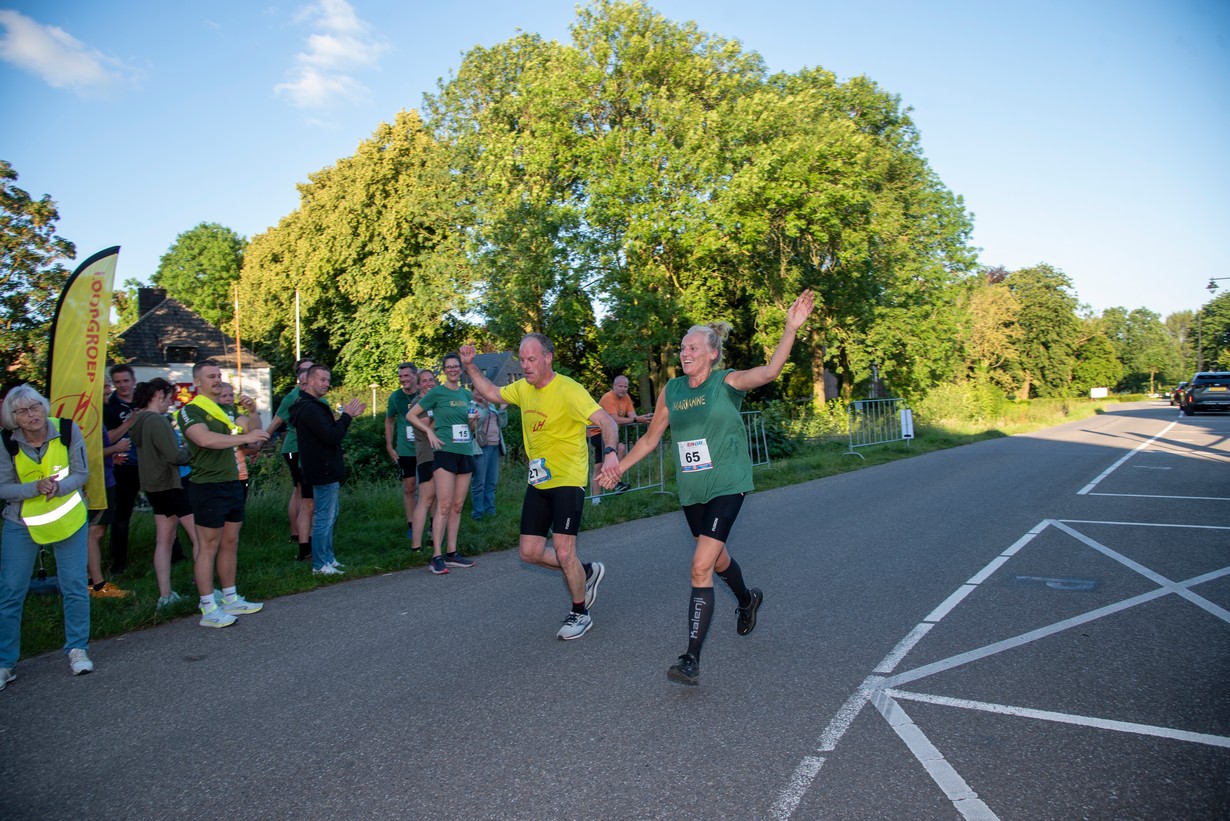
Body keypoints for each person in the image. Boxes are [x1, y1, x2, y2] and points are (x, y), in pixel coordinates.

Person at [601, 289, 814, 685]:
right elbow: (649, 440)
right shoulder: (672, 391)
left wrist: (790, 328)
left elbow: (768, 372)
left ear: (712, 353)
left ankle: (690, 659)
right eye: (682, 347)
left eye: (693, 347)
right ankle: (747, 599)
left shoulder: (725, 383)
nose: (685, 353)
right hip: (693, 491)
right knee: (716, 561)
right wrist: (616, 466)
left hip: (728, 484)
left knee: (700, 566)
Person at [460, 335, 616, 640]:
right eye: (522, 359)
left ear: (548, 358)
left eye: (532, 359)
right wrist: (470, 366)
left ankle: (580, 612)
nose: (525, 365)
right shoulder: (522, 388)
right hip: (539, 480)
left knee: (562, 549)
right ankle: (584, 573)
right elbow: (491, 392)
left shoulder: (569, 389)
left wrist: (610, 453)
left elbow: (607, 421)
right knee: (529, 552)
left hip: (568, 479)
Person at [0, 384, 94, 687]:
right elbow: (3, 488)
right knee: (11, 591)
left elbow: (81, 473)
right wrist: (35, 487)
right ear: (13, 417)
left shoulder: (67, 430)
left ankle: (77, 649)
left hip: (68, 518)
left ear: (44, 406)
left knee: (75, 585)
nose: (32, 415)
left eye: (36, 406)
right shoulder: (5, 442)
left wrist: (59, 487)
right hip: (22, 524)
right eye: (23, 411)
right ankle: (5, 663)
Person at [178, 361, 270, 628]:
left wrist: (253, 412)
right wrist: (244, 438)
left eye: (219, 376)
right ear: (197, 382)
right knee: (208, 546)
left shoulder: (227, 408)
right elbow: (205, 439)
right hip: (207, 485)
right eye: (211, 377)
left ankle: (230, 597)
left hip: (232, 482)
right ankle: (208, 607)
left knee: (230, 542)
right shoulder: (190, 411)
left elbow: (254, 435)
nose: (217, 380)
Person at [129, 377, 198, 609]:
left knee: (164, 540)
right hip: (172, 485)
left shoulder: (138, 422)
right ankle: (205, 586)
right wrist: (193, 448)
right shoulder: (156, 421)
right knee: (199, 537)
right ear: (158, 394)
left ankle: (165, 594)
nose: (170, 403)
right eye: (169, 398)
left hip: (153, 487)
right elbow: (175, 455)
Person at [289, 365, 364, 576]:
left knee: (331, 514)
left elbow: (329, 433)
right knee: (324, 516)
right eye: (322, 379)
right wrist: (347, 416)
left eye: (327, 380)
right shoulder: (310, 408)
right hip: (322, 469)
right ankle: (320, 564)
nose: (326, 384)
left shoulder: (311, 406)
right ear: (310, 381)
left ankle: (328, 559)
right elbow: (332, 436)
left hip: (323, 467)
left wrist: (347, 417)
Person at [408, 353, 478, 575]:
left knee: (458, 506)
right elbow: (411, 415)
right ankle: (436, 556)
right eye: (448, 367)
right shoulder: (437, 393)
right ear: (444, 371)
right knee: (444, 505)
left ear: (460, 369)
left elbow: (471, 430)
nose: (453, 370)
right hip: (445, 452)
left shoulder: (467, 395)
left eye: (456, 366)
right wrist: (429, 431)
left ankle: (452, 552)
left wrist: (473, 422)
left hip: (465, 452)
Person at [87, 381, 133, 599]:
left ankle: (93, 581)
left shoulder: (97, 415)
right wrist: (115, 448)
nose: (110, 389)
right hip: (96, 482)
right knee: (94, 532)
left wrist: (110, 457)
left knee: (98, 531)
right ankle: (96, 585)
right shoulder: (89, 416)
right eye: (105, 385)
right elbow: (86, 452)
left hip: (105, 478)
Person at [266, 359, 313, 561]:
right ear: (300, 376)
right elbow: (276, 421)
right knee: (301, 490)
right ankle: (298, 533)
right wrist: (258, 444)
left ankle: (300, 533)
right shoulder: (292, 397)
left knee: (301, 490)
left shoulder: (312, 396)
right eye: (307, 371)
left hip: (306, 448)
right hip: (294, 447)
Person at [102, 363, 141, 574]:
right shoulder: (110, 406)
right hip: (124, 466)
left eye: (126, 381)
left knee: (168, 511)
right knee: (121, 516)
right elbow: (106, 439)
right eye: (117, 382)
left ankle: (177, 557)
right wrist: (130, 422)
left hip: (150, 464)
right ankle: (118, 564)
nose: (122, 385)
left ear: (133, 380)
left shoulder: (144, 400)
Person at [588, 374, 652, 501]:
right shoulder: (608, 398)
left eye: (625, 386)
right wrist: (636, 419)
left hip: (607, 433)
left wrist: (642, 419)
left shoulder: (626, 397)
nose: (623, 389)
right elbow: (614, 419)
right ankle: (616, 483)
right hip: (595, 432)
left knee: (599, 466)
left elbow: (632, 415)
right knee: (621, 448)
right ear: (614, 386)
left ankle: (596, 499)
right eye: (620, 386)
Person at [384, 362, 419, 540]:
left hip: (425, 448)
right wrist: (390, 446)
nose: (403, 379)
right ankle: (412, 525)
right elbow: (389, 421)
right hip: (405, 450)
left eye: (406, 376)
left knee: (431, 489)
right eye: (400, 376)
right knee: (409, 487)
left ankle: (431, 523)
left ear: (415, 375)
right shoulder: (395, 397)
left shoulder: (424, 394)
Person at [408, 368, 438, 554]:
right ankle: (416, 546)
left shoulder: (433, 402)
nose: (428, 383)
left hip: (440, 454)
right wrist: (444, 413)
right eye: (424, 381)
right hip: (427, 456)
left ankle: (434, 538)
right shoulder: (418, 403)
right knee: (425, 499)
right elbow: (428, 426)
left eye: (431, 380)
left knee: (437, 500)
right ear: (418, 385)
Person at [469, 394, 507, 519]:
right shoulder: (471, 406)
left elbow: (503, 424)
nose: (482, 394)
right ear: (472, 391)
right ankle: (477, 513)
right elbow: (475, 425)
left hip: (495, 446)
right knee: (479, 482)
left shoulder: (491, 406)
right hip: (481, 448)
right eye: (478, 391)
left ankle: (490, 510)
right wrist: (484, 408)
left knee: (491, 481)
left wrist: (502, 410)